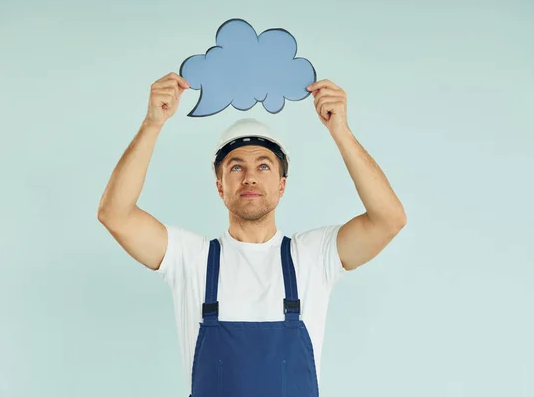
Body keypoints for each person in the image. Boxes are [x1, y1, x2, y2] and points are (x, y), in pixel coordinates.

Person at [97, 72, 406, 396]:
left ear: (281, 185)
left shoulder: (315, 256)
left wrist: (340, 131)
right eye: (235, 167)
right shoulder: (190, 258)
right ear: (220, 186)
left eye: (263, 166)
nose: (249, 177)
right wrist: (152, 124)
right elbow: (115, 215)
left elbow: (389, 219)